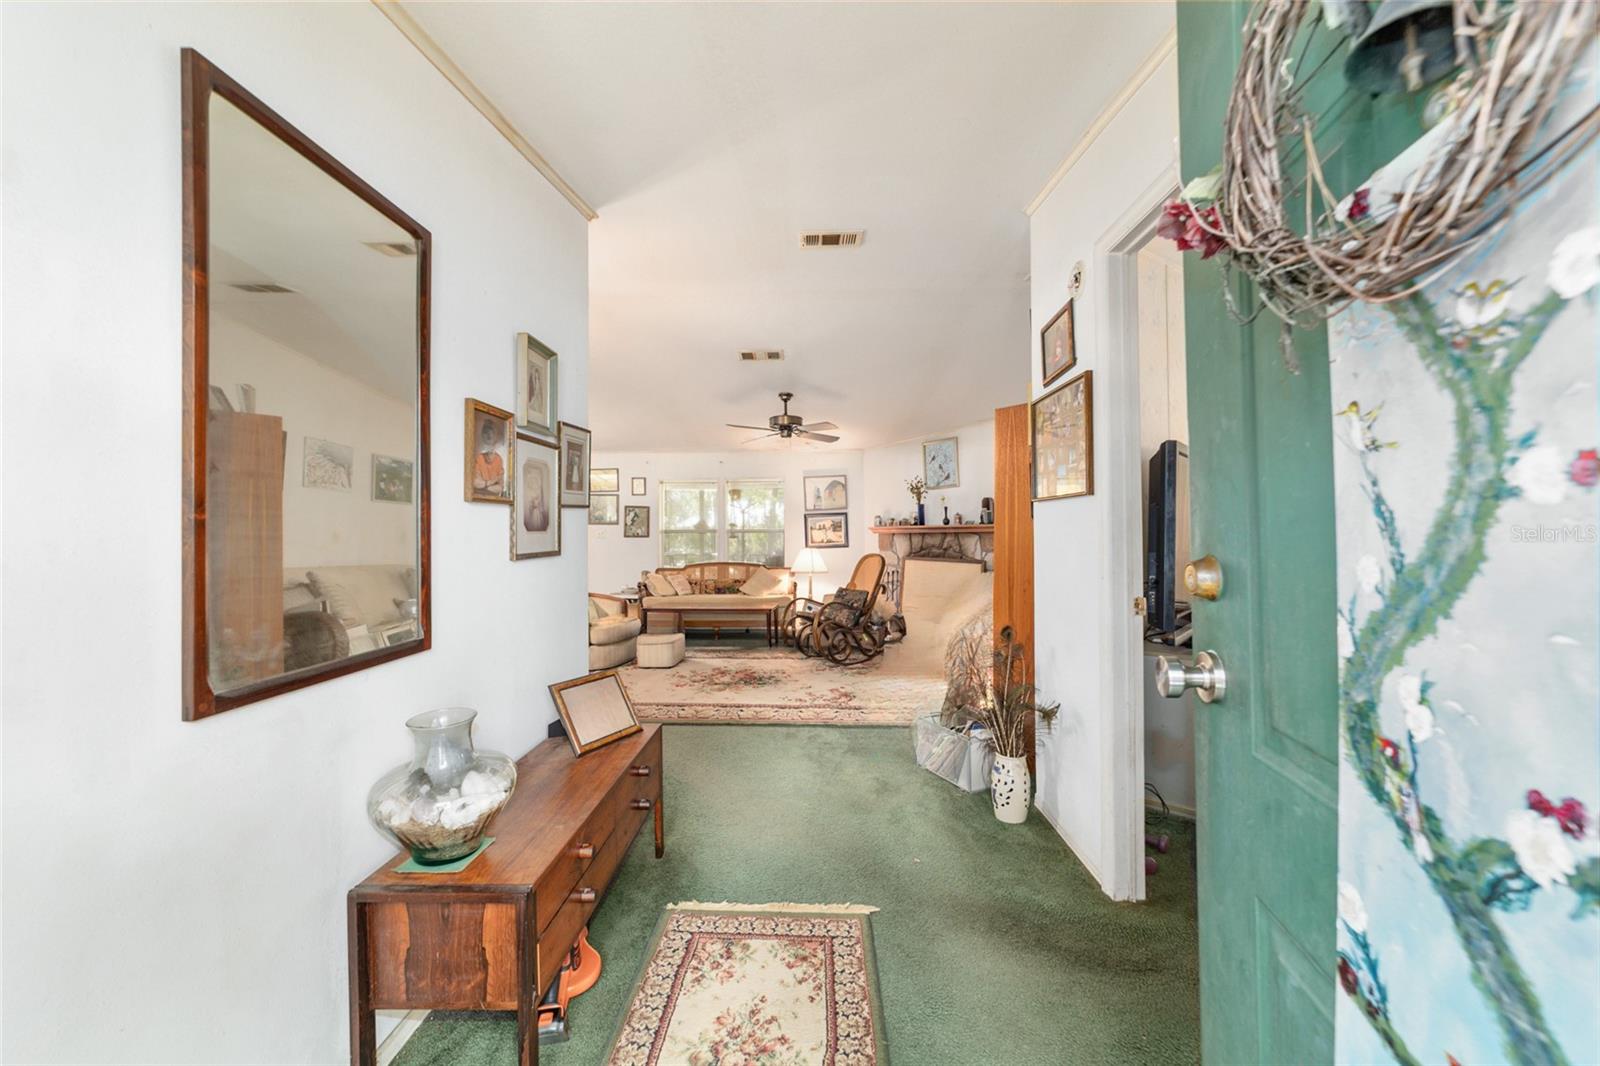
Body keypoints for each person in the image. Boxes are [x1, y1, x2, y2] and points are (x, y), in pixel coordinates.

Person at [473, 417, 506, 496]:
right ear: (483, 436)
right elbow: (475, 483)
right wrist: (491, 482)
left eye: (491, 433)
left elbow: (500, 487)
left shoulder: (498, 459)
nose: (489, 435)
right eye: (486, 433)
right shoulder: (479, 458)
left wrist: (484, 485)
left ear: (495, 436)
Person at [522, 459, 549, 533]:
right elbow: (530, 502)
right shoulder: (530, 493)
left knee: (538, 519)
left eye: (535, 482)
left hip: (537, 510)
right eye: (532, 482)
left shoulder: (538, 492)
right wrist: (533, 504)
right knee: (534, 520)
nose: (533, 483)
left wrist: (537, 504)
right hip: (534, 510)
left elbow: (539, 501)